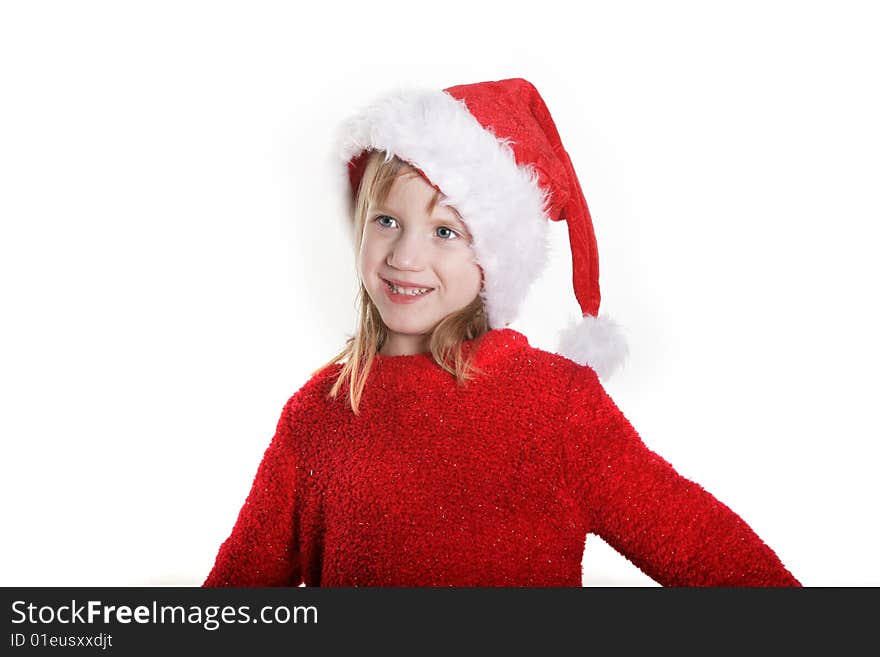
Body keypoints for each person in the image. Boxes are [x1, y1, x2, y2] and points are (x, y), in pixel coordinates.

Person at [203, 78, 800, 587]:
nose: (405, 256)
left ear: (492, 256)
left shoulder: (555, 405)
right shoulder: (318, 416)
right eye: (387, 221)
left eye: (445, 232)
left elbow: (699, 542)